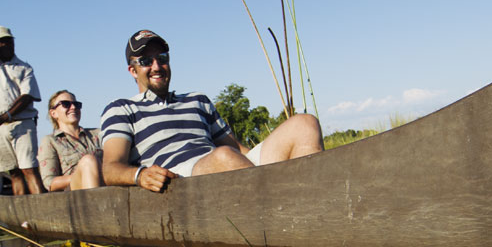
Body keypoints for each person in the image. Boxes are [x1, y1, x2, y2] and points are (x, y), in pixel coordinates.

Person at [100, 30, 324, 192]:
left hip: (227, 165)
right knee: (223, 158)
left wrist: (269, 156)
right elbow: (111, 168)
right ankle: (290, 205)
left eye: (162, 58)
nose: (157, 66)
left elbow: (239, 150)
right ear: (132, 70)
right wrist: (139, 175)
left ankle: (314, 197)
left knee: (304, 123)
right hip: (181, 178)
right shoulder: (121, 109)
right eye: (146, 61)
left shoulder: (198, 100)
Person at [0, 0, 46, 195]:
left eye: (9, 41)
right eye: (1, 42)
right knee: (13, 172)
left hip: (21, 122)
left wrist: (6, 116)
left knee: (29, 168)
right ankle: (22, 215)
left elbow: (27, 96)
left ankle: (42, 210)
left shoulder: (24, 67)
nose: (6, 45)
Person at [37, 90, 103, 191]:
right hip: (73, 193)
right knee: (88, 161)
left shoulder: (98, 134)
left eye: (77, 104)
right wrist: (86, 173)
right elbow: (49, 183)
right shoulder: (50, 141)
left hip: (105, 184)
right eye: (66, 104)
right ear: (53, 113)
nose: (73, 107)